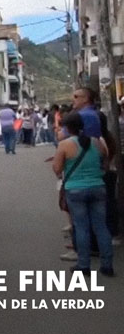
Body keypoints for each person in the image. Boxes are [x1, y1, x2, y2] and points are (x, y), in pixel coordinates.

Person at [52, 112, 114, 276]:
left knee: (81, 228)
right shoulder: (96, 142)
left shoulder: (64, 145)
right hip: (98, 187)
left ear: (66, 128)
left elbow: (57, 169)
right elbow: (105, 164)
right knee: (101, 227)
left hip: (75, 189)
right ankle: (107, 265)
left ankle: (84, 264)